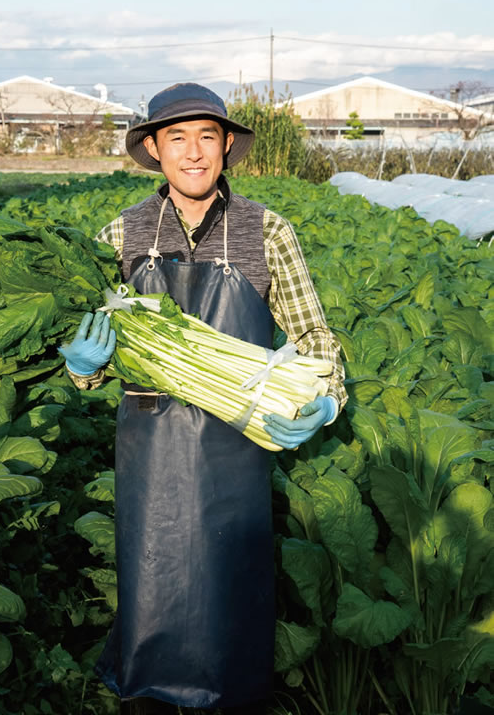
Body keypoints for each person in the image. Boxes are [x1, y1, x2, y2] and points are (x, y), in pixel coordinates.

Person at [60, 83, 347, 715]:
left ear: (226, 148)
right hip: (150, 450)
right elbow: (96, 354)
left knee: (232, 600)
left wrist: (325, 397)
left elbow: (313, 335)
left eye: (207, 137)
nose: (194, 153)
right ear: (155, 150)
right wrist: (84, 369)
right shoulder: (120, 234)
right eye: (177, 138)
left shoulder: (267, 230)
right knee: (153, 591)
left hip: (237, 447)